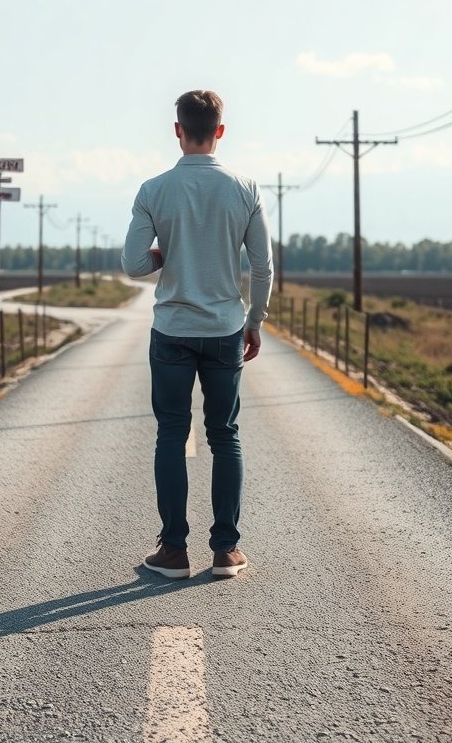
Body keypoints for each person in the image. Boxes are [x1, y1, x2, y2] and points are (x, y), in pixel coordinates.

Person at [121, 90, 273, 579]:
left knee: (171, 433)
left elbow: (133, 264)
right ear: (221, 132)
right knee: (224, 434)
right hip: (226, 329)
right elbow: (263, 267)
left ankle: (173, 551)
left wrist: (164, 256)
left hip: (171, 330)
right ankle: (226, 551)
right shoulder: (245, 188)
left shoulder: (153, 190)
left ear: (178, 130)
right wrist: (255, 322)